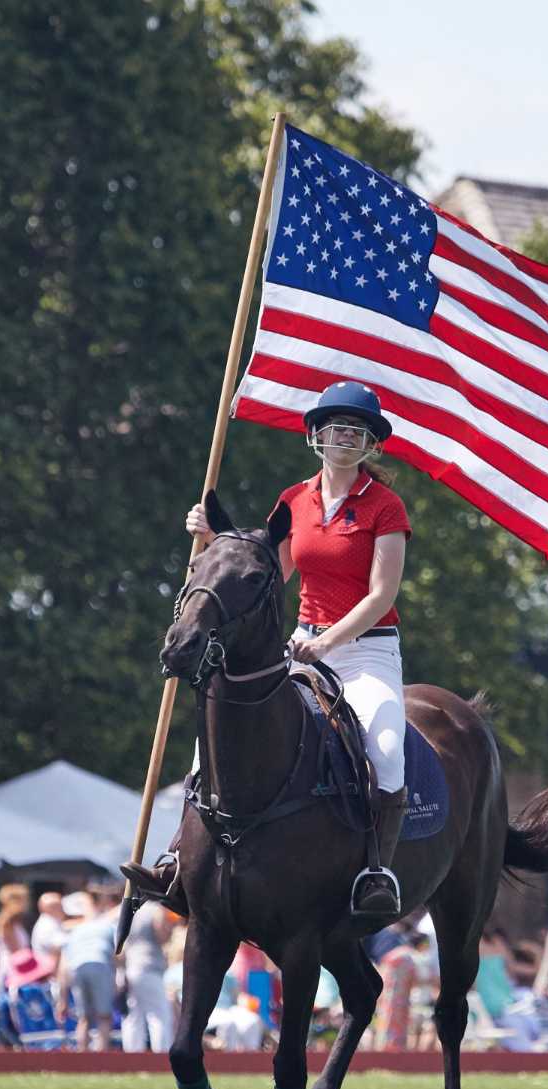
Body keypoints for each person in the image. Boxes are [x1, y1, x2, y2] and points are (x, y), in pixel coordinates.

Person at [155, 381, 414, 920]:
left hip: (366, 652)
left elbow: (381, 593)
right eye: (333, 425)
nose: (342, 434)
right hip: (300, 645)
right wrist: (211, 539)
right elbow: (265, 573)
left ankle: (375, 871)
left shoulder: (386, 506)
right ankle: (180, 858)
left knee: (386, 754)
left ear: (371, 443)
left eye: (354, 428)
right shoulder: (294, 500)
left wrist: (327, 641)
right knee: (215, 737)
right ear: (316, 435)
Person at [56, 893, 120, 1052]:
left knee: (84, 1018)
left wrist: (62, 999)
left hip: (77, 968)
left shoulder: (74, 931)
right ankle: (101, 1056)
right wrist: (118, 978)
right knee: (104, 1016)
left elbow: (63, 967)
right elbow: (119, 955)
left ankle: (81, 1056)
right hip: (100, 965)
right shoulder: (108, 926)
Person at [121, 897, 175, 1053]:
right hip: (150, 966)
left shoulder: (128, 909)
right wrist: (171, 927)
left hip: (131, 965)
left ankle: (132, 1056)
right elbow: (162, 936)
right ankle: (162, 1054)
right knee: (159, 1014)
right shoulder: (156, 909)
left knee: (134, 1015)